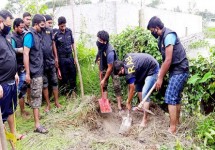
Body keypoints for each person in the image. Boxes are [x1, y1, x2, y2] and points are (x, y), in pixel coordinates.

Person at [147, 16, 189, 134]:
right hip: (175, 70)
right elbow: (165, 60)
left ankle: (172, 128)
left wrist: (160, 78)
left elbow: (168, 59)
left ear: (156, 28)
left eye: (151, 30)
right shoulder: (161, 38)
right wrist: (160, 74)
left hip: (180, 69)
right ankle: (177, 123)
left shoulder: (169, 36)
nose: (151, 33)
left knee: (170, 96)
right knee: (176, 98)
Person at [113, 53, 159, 126]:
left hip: (152, 68)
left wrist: (128, 102)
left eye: (119, 73)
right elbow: (130, 86)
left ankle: (145, 120)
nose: (119, 75)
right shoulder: (125, 59)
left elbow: (132, 88)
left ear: (122, 68)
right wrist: (129, 100)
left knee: (145, 92)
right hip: (143, 70)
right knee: (138, 88)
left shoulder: (129, 73)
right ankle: (143, 107)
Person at [0, 10, 24, 143]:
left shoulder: (6, 36)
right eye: (7, 24)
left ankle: (13, 133)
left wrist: (14, 72)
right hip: (2, 84)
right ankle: (2, 141)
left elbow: (9, 54)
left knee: (10, 110)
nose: (9, 27)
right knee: (2, 115)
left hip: (11, 80)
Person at [23, 14, 48, 134]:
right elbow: (26, 54)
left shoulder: (38, 35)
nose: (43, 27)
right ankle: (37, 125)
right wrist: (27, 73)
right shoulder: (29, 35)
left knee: (38, 96)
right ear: (36, 24)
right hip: (34, 71)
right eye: (42, 25)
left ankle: (37, 118)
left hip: (39, 70)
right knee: (36, 97)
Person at [95, 30, 122, 111]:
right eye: (98, 39)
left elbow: (110, 68)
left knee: (116, 86)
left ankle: (119, 106)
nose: (98, 41)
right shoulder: (101, 46)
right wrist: (98, 62)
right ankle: (105, 104)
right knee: (104, 86)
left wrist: (104, 79)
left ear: (104, 41)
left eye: (99, 40)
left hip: (113, 68)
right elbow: (99, 53)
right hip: (104, 66)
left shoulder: (110, 52)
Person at [11, 18, 30, 117]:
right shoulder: (11, 37)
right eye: (21, 28)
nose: (23, 29)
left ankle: (22, 110)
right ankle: (20, 112)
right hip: (15, 67)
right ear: (15, 27)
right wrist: (19, 50)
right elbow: (10, 51)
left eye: (23, 27)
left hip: (23, 65)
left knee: (22, 89)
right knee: (19, 90)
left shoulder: (24, 35)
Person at [42, 15, 61, 112]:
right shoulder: (38, 31)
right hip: (42, 64)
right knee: (45, 84)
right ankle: (48, 104)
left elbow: (53, 44)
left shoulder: (50, 31)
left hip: (51, 61)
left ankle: (57, 102)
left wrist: (56, 57)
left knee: (54, 82)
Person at [54, 16, 77, 98]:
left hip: (70, 57)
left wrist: (75, 56)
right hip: (62, 58)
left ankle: (74, 92)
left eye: (64, 25)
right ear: (58, 25)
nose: (63, 28)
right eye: (61, 26)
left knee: (73, 74)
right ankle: (67, 94)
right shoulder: (56, 34)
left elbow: (73, 43)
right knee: (64, 76)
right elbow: (55, 48)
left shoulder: (69, 31)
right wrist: (56, 58)